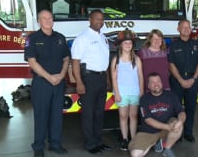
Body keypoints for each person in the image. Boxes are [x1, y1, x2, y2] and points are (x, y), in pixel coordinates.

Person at [24, 9, 70, 157]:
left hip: (59, 82)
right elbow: (32, 61)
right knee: (41, 115)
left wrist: (62, 75)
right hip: (42, 83)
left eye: (50, 18)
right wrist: (49, 77)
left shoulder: (60, 38)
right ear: (39, 21)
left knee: (57, 115)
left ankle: (55, 144)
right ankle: (38, 147)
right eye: (44, 18)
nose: (48, 20)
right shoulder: (32, 38)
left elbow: (66, 58)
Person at [71, 9, 111, 154]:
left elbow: (103, 59)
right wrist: (79, 82)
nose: (100, 21)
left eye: (102, 19)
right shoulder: (82, 38)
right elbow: (75, 62)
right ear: (90, 20)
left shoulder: (103, 37)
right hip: (89, 78)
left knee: (100, 113)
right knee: (88, 113)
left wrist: (106, 78)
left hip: (101, 78)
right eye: (97, 19)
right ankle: (90, 144)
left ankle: (98, 141)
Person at [129, 72, 186, 157]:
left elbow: (181, 112)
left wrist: (181, 121)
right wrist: (167, 127)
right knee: (135, 154)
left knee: (178, 125)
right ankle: (154, 142)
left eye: (158, 81)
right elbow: (148, 120)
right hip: (148, 132)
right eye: (152, 82)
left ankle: (167, 148)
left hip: (167, 128)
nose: (156, 84)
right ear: (148, 86)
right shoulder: (144, 99)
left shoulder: (171, 95)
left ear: (162, 83)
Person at [168, 19, 198, 143]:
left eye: (188, 27)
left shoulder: (196, 44)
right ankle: (177, 134)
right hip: (177, 81)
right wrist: (180, 80)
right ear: (178, 29)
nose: (186, 29)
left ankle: (188, 133)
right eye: (183, 27)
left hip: (193, 81)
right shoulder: (173, 45)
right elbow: (171, 65)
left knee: (191, 108)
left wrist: (194, 79)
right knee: (176, 109)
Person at [110, 29, 144, 151]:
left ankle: (133, 138)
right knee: (123, 116)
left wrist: (141, 91)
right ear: (120, 45)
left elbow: (140, 76)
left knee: (134, 116)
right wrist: (117, 93)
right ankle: (125, 139)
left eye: (130, 43)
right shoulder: (116, 60)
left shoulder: (137, 59)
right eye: (125, 43)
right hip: (122, 92)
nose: (128, 45)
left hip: (134, 92)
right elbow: (113, 78)